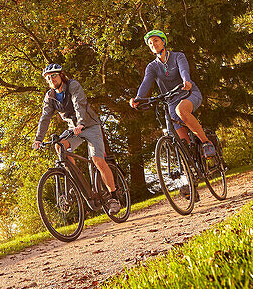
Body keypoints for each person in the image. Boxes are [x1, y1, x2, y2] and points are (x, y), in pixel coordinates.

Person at [32, 63, 121, 213]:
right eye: (48, 78)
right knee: (59, 146)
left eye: (53, 75)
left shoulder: (73, 85)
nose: (51, 79)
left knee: (98, 160)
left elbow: (79, 104)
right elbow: (45, 117)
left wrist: (80, 123)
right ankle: (76, 179)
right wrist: (38, 139)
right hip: (73, 129)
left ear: (61, 75)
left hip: (90, 125)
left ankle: (113, 197)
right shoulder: (50, 96)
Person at [130, 30, 217, 158]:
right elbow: (146, 82)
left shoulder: (178, 56)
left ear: (163, 42)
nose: (153, 44)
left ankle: (206, 143)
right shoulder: (152, 67)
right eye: (150, 43)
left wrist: (186, 80)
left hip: (189, 93)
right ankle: (191, 163)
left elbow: (183, 70)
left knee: (180, 110)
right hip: (171, 100)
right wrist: (138, 98)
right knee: (180, 140)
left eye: (156, 40)